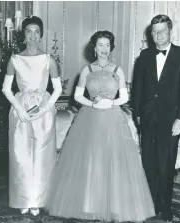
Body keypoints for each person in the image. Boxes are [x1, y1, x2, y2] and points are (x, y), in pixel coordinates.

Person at [46, 30, 155, 222]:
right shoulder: (87, 70)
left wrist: (110, 103)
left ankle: (114, 205)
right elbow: (78, 96)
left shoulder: (117, 70)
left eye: (107, 45)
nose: (104, 49)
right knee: (91, 159)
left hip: (113, 118)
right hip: (90, 118)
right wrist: (93, 104)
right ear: (94, 48)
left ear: (111, 48)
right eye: (100, 45)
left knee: (112, 160)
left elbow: (125, 97)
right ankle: (90, 204)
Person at [131, 14, 180, 222]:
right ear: (151, 34)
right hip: (148, 119)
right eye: (154, 32)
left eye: (162, 31)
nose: (158, 35)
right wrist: (138, 115)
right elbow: (138, 89)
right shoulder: (144, 56)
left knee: (166, 164)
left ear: (170, 32)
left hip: (172, 120)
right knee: (148, 163)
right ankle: (151, 205)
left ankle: (166, 208)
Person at [2, 16, 62, 216]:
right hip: (21, 111)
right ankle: (24, 198)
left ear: (41, 34)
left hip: (43, 111)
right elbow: (6, 89)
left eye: (37, 31)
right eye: (29, 31)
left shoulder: (48, 59)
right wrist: (19, 109)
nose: (33, 36)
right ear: (23, 34)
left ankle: (39, 199)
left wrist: (45, 109)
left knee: (43, 156)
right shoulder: (15, 59)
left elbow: (58, 89)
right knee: (22, 155)